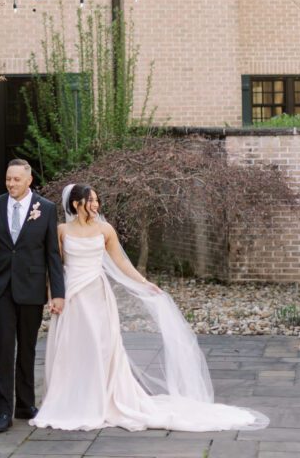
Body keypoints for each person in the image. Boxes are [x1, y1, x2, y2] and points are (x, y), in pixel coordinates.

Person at [30, 183, 269, 433]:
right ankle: (71, 400)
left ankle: (101, 399)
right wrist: (52, 295)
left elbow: (121, 261)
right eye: (91, 201)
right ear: (77, 204)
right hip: (72, 294)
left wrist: (144, 283)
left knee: (100, 347)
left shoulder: (105, 229)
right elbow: (54, 266)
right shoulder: (62, 230)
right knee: (72, 347)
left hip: (97, 294)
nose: (96, 205)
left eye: (97, 200)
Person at [0, 158, 65, 434]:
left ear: (29, 180)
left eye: (16, 179)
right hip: (0, 288)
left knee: (27, 349)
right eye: (8, 179)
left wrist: (58, 293)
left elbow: (53, 254)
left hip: (31, 287)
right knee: (4, 349)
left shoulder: (46, 209)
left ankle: (25, 405)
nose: (11, 184)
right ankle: (3, 411)